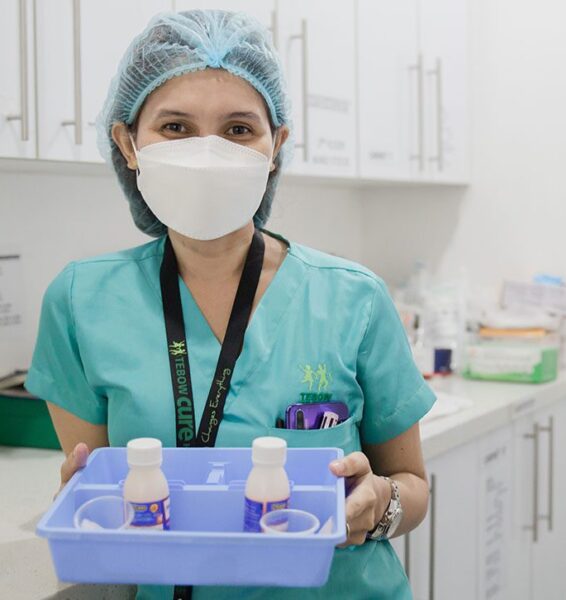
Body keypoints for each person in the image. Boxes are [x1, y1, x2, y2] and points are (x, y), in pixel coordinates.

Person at [26, 10, 436, 600]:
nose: (207, 153)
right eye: (175, 128)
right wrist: (86, 499)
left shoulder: (353, 299)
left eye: (239, 130)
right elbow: (99, 492)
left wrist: (381, 506)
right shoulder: (80, 302)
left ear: (277, 147)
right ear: (128, 143)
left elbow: (413, 486)